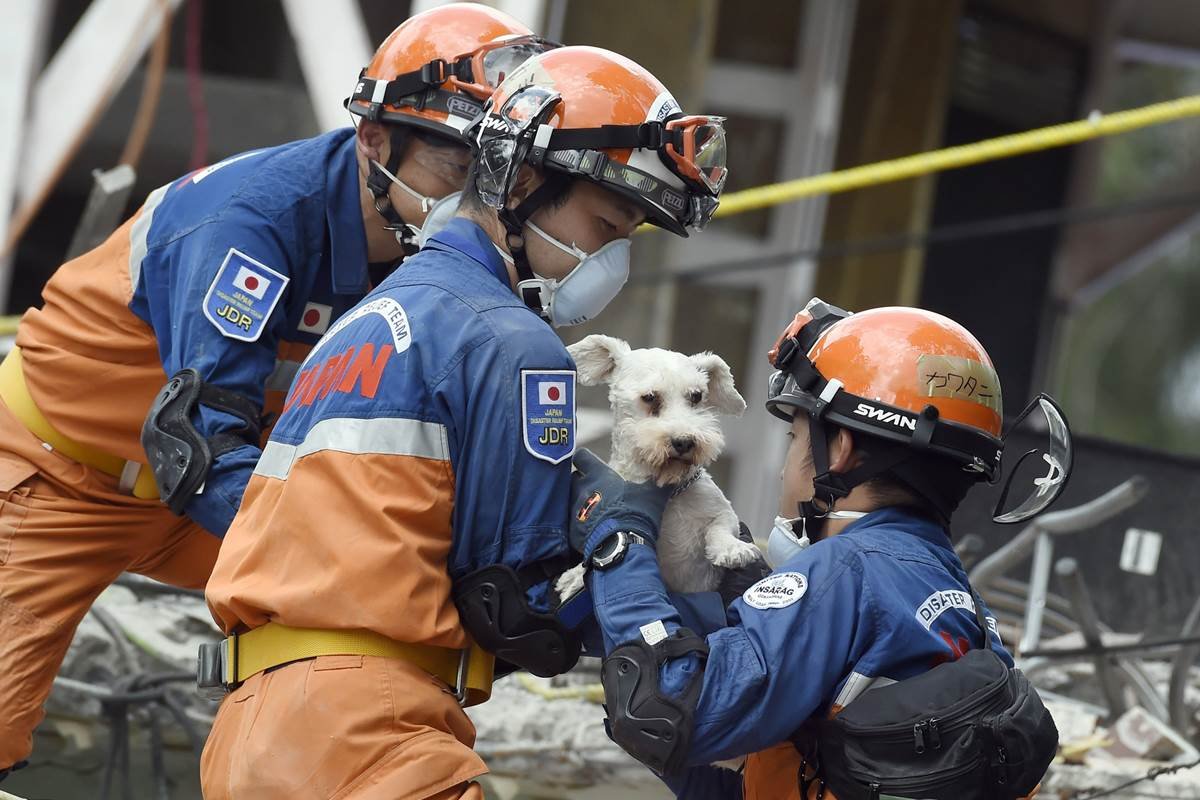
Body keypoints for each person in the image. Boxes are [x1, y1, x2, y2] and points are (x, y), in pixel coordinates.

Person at [0, 4, 554, 780]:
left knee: (377, 620)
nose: (473, 202)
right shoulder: (252, 222)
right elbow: (196, 441)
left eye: (493, 177)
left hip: (231, 485)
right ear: (374, 140)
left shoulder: (434, 258)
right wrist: (319, 554)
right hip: (61, 480)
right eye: (456, 171)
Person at [198, 44, 728, 799]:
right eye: (607, 226)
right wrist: (636, 527)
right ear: (525, 177)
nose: (611, 260)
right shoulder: (513, 343)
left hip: (256, 728)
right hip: (371, 733)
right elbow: (516, 609)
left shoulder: (370, 318)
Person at [566, 301, 1070, 799]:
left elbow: (668, 714)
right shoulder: (954, 592)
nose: (786, 467)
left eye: (794, 435)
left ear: (842, 447)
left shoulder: (840, 575)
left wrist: (620, 544)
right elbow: (818, 763)